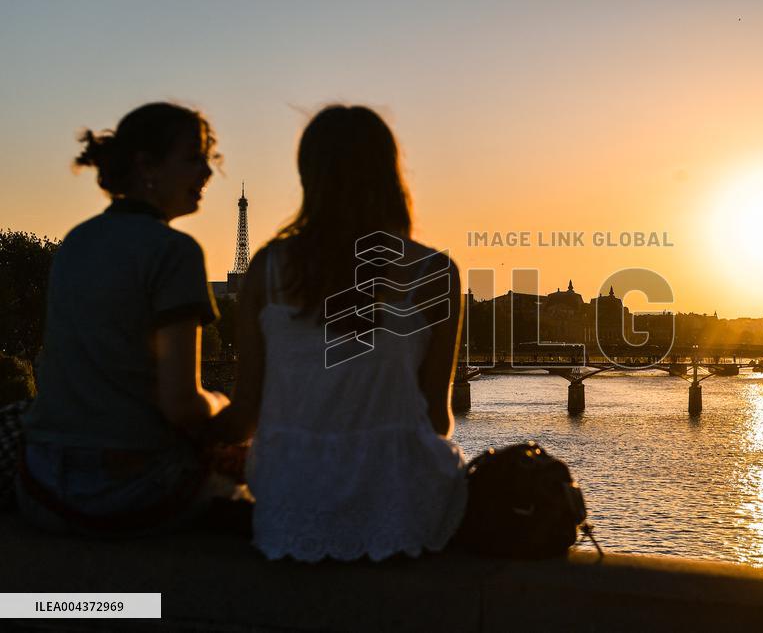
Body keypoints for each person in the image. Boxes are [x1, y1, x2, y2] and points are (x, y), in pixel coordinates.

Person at [210, 105, 467, 562]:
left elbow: (246, 413)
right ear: (391, 175)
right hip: (398, 509)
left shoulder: (267, 270)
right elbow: (437, 420)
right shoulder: (436, 273)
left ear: (309, 176)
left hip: (291, 507)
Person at [18, 102, 246, 536]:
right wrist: (223, 405)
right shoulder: (174, 252)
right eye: (194, 158)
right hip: (125, 490)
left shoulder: (75, 242)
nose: (207, 173)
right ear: (147, 165)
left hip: (42, 482)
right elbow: (182, 405)